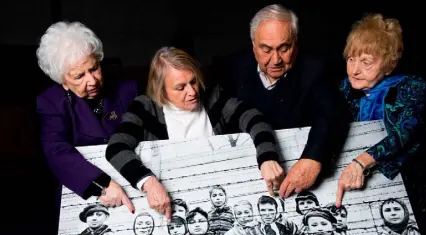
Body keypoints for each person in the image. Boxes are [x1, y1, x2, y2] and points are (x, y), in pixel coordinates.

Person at [106, 46, 284, 222]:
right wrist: (148, 182)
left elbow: (253, 119)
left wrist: (267, 157)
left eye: (193, 81)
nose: (192, 92)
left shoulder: (213, 97)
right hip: (171, 210)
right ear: (162, 91)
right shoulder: (145, 108)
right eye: (180, 87)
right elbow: (116, 147)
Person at [215, 4, 344, 198]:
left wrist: (314, 158)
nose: (275, 60)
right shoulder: (230, 69)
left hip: (301, 175)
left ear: (296, 44)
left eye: (284, 48)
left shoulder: (316, 68)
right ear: (253, 45)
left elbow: (331, 115)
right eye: (266, 49)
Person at [335, 13, 426, 208]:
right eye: (351, 59)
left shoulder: (414, 88)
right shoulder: (344, 88)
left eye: (366, 62)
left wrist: (361, 163)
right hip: (353, 183)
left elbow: (405, 131)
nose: (354, 70)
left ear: (390, 65)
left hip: (406, 187)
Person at [36, 21, 137, 212]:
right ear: (63, 81)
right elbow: (56, 151)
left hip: (133, 182)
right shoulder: (51, 102)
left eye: (94, 69)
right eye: (78, 76)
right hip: (84, 189)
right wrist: (102, 184)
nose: (92, 81)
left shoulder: (128, 90)